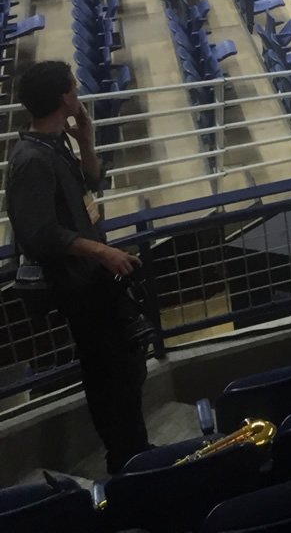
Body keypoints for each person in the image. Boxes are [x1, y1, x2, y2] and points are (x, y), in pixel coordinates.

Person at [5, 60, 148, 472]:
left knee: (125, 367)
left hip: (91, 279)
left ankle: (136, 450)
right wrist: (101, 252)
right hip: (79, 286)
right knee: (110, 376)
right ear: (65, 97)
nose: (79, 91)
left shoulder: (56, 144)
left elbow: (92, 185)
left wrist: (85, 141)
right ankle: (126, 460)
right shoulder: (31, 159)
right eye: (74, 86)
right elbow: (38, 234)